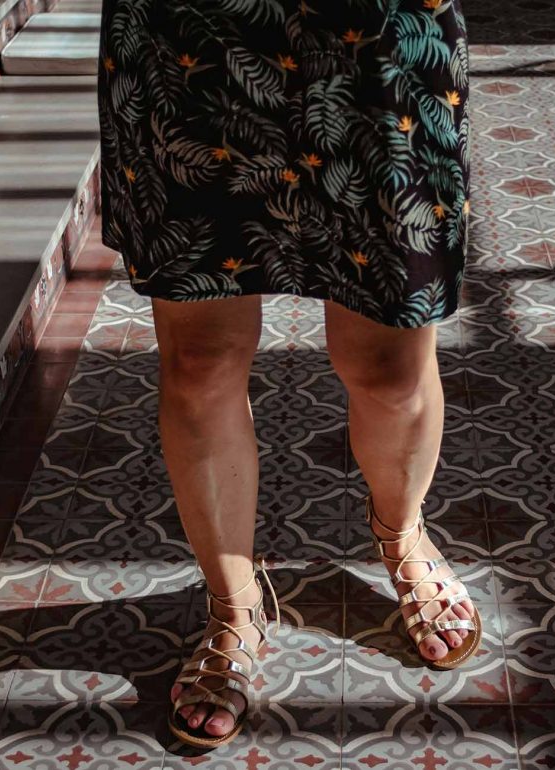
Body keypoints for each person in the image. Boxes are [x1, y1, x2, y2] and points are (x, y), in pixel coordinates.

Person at [97, 0, 479, 749]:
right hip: (194, 32)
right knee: (200, 363)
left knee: (391, 366)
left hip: (377, 36)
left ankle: (403, 534)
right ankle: (235, 604)